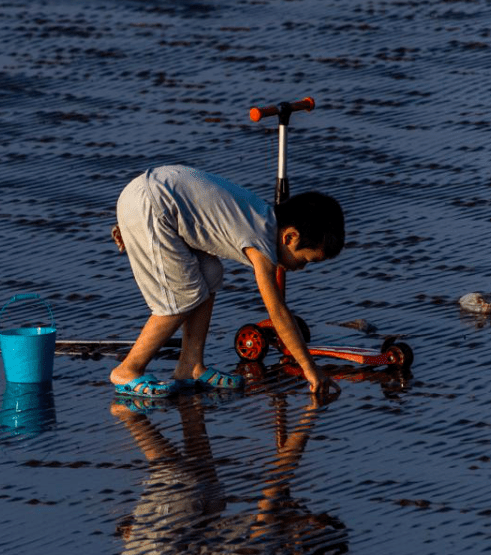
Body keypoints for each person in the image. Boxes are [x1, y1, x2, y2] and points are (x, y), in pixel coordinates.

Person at [109, 165, 344, 398]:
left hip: (154, 196)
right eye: (305, 261)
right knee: (180, 297)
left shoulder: (261, 214)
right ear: (290, 236)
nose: (300, 268)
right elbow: (277, 312)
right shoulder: (260, 245)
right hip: (153, 205)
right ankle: (128, 370)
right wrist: (310, 368)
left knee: (210, 274)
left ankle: (190, 366)